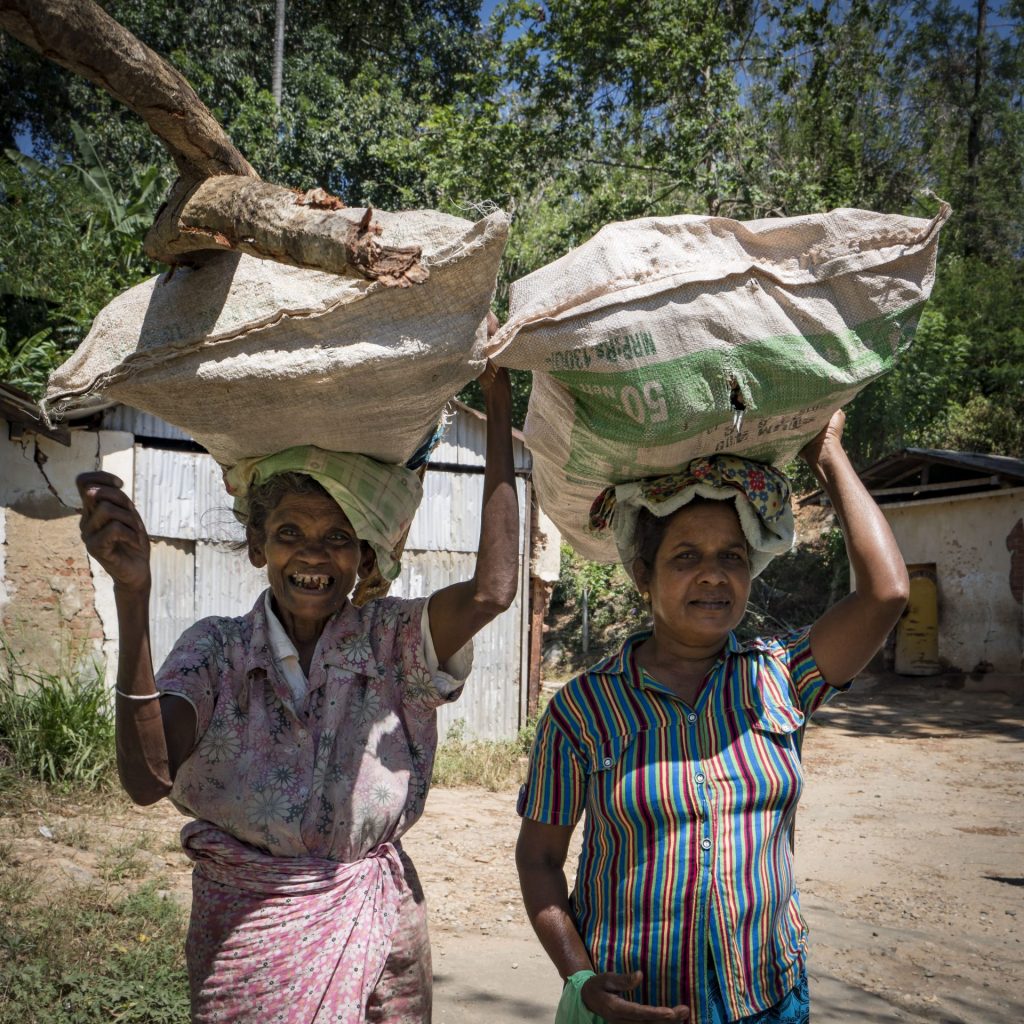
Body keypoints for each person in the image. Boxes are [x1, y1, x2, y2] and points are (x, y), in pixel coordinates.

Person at [75, 361, 518, 1024]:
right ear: (258, 544)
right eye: (290, 534)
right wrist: (132, 595)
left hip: (381, 929)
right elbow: (147, 779)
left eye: (337, 538)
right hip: (247, 933)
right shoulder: (216, 651)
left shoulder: (391, 639)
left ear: (363, 558)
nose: (313, 557)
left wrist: (499, 405)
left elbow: (492, 592)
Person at [516, 410, 908, 1024]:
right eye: (686, 556)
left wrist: (827, 453)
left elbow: (885, 594)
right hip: (634, 1002)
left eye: (732, 555)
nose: (713, 574)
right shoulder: (584, 710)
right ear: (643, 575)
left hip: (768, 996)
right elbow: (538, 858)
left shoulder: (781, 675)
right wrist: (581, 977)